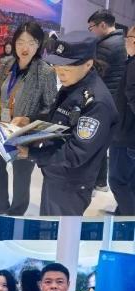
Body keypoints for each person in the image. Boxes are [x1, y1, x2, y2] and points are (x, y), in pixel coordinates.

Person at [16, 31, 118, 216]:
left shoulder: (96, 102)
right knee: (47, 225)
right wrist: (30, 119)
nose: (60, 72)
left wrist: (32, 154)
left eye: (67, 67)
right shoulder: (73, 84)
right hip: (56, 172)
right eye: (57, 65)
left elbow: (75, 153)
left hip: (70, 184)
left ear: (88, 64)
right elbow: (59, 117)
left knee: (59, 231)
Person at [0, 22, 57, 216]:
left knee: (21, 176)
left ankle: (16, 213)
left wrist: (29, 119)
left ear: (39, 44)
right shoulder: (6, 64)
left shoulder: (45, 71)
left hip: (26, 134)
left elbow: (50, 108)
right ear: (14, 43)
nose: (25, 48)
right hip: (2, 127)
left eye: (31, 42)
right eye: (20, 42)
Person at [87, 9, 127, 192]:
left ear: (102, 24)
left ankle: (97, 181)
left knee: (95, 142)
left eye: (92, 28)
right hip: (114, 99)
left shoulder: (106, 45)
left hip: (102, 99)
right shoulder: (120, 41)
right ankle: (101, 181)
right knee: (101, 141)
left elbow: (94, 74)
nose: (91, 32)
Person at [108, 25, 135, 215]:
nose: (126, 41)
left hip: (125, 134)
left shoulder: (133, 65)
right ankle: (122, 214)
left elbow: (132, 95)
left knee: (118, 181)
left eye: (128, 38)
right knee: (130, 181)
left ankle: (128, 219)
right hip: (128, 133)